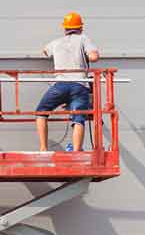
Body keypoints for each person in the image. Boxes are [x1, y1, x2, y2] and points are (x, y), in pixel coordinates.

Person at [35, 12, 100, 151]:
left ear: (65, 29)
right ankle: (76, 150)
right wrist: (89, 55)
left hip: (60, 85)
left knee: (41, 112)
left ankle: (43, 148)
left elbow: (45, 51)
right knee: (78, 118)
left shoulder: (56, 42)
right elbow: (93, 57)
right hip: (79, 85)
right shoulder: (83, 39)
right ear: (80, 28)